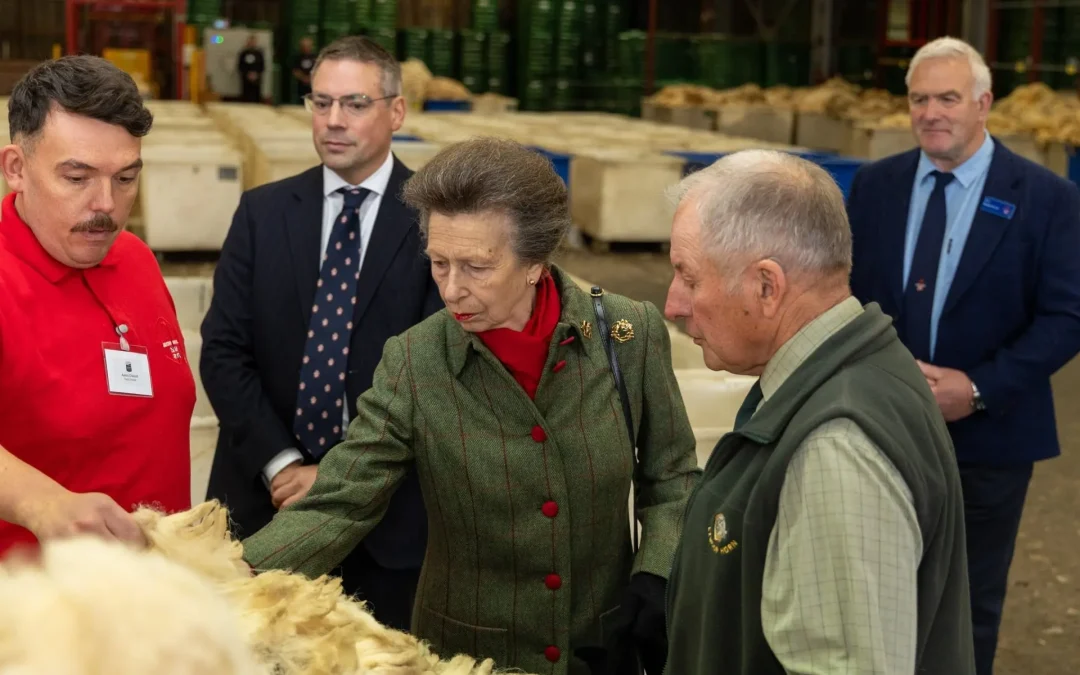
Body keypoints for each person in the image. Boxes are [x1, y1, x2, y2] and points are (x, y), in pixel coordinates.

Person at [241, 137, 701, 675]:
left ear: (535, 262)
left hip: (601, 645)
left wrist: (657, 575)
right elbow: (342, 499)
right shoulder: (416, 360)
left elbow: (672, 477)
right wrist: (228, 575)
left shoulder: (628, 335)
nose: (451, 289)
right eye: (439, 263)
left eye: (476, 267)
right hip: (466, 654)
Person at [663, 149, 976, 675]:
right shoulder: (843, 373)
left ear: (767, 286)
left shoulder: (834, 448)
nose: (673, 304)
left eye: (689, 277)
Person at [846, 37, 1080, 675]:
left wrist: (975, 389)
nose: (931, 112)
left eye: (947, 97)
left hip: (990, 439)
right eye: (919, 99)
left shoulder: (1046, 198)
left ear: (984, 103)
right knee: (875, 592)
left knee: (969, 605)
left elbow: (1067, 315)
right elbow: (843, 296)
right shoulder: (873, 187)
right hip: (880, 431)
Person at [200, 36, 441, 631]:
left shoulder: (437, 225)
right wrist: (282, 465)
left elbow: (437, 376)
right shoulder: (261, 213)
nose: (334, 120)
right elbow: (225, 353)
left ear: (397, 111)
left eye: (355, 104)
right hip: (263, 508)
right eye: (321, 101)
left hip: (388, 521)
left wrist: (336, 481)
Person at [0, 56, 194, 555]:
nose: (106, 204)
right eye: (78, 177)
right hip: (39, 611)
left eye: (126, 178)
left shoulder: (136, 260)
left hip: (157, 596)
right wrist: (40, 504)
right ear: (16, 169)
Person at [237, 34, 265, 103]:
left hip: (256, 78)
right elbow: (240, 65)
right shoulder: (243, 53)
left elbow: (262, 65)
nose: (252, 43)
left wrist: (256, 74)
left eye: (253, 41)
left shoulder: (259, 53)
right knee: (246, 94)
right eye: (250, 41)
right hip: (246, 78)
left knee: (256, 94)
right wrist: (247, 74)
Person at [292, 36, 316, 101]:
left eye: (308, 46)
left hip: (313, 86)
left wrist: (310, 78)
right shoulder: (297, 58)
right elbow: (295, 71)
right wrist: (304, 78)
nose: (306, 48)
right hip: (301, 86)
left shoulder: (316, 57)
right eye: (304, 46)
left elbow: (318, 70)